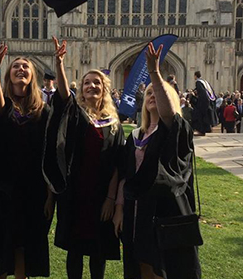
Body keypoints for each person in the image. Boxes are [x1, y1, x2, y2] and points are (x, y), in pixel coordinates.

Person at [113, 43, 201, 279]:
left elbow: (169, 115)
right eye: (149, 92)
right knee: (141, 265)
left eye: (159, 92)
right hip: (137, 212)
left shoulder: (175, 130)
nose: (152, 95)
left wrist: (154, 73)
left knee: (164, 266)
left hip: (165, 211)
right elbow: (126, 175)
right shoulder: (136, 136)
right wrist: (119, 208)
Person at [43, 37, 125, 279]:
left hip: (101, 194)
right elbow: (64, 98)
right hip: (75, 193)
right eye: (87, 82)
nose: (91, 86)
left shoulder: (114, 124)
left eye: (97, 83)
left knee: (98, 251)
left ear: (105, 88)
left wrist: (111, 199)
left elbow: (117, 165)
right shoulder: (77, 115)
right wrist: (59, 65)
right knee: (75, 251)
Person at [0, 44, 54, 279]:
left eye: (25, 66)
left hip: (31, 189)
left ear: (33, 75)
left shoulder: (43, 111)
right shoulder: (0, 106)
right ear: (8, 74)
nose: (21, 69)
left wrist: (51, 195)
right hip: (0, 187)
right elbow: (2, 108)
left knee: (24, 246)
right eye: (16, 66)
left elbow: (50, 153)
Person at [191, 71, 218, 136]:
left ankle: (201, 131)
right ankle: (207, 129)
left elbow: (202, 93)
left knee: (198, 115)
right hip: (209, 101)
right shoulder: (205, 81)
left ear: (195, 76)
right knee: (205, 116)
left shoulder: (198, 82)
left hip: (203, 102)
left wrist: (195, 96)